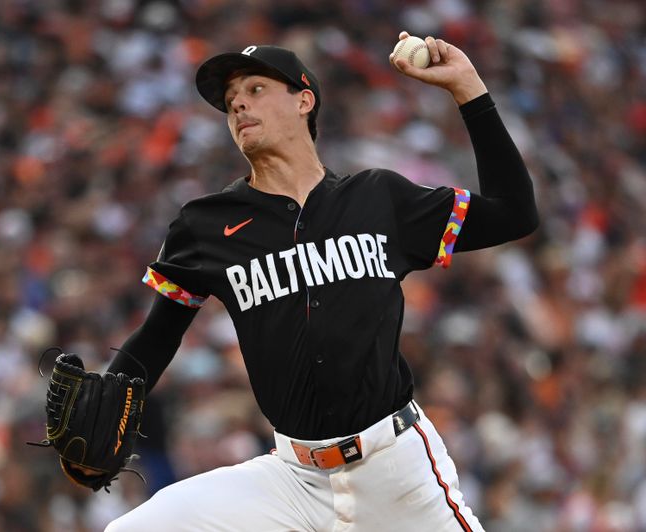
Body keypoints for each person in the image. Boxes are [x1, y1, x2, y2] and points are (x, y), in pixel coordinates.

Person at [103, 32, 538, 531]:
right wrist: (110, 400)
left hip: (394, 472)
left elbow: (515, 214)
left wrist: (468, 89)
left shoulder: (379, 199)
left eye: (256, 88)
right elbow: (158, 335)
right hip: (291, 481)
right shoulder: (206, 224)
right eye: (230, 101)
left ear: (304, 100)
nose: (239, 103)